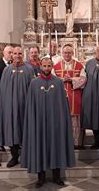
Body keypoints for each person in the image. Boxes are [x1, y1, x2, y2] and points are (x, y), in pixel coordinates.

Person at [21, 57, 75, 188]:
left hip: (55, 122)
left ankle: (57, 176)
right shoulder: (34, 83)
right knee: (40, 146)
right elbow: (30, 105)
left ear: (52, 67)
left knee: (56, 146)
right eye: (44, 66)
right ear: (40, 66)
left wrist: (62, 121)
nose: (46, 68)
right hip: (39, 122)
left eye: (49, 66)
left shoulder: (58, 82)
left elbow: (62, 105)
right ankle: (41, 177)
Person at [0, 46, 35, 168]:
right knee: (12, 130)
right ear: (11, 55)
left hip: (25, 107)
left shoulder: (29, 69)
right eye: (15, 53)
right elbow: (2, 91)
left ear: (23, 55)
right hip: (10, 108)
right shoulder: (7, 71)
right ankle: (14, 157)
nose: (17, 56)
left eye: (20, 53)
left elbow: (33, 90)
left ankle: (26, 156)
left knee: (24, 130)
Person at [53, 44, 86, 149]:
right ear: (62, 53)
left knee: (75, 121)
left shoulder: (79, 66)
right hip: (60, 98)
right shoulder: (56, 66)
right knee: (62, 120)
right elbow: (53, 81)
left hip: (75, 96)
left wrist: (71, 79)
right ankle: (63, 142)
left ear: (73, 53)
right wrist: (62, 80)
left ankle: (75, 143)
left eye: (69, 52)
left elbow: (83, 80)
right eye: (65, 52)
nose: (67, 54)